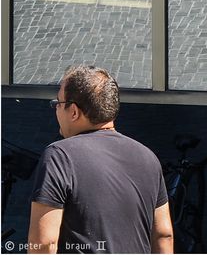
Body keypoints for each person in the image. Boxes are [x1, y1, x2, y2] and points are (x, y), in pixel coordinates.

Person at [28, 66, 173, 254]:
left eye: (58, 102)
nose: (56, 108)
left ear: (73, 111)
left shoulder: (59, 156)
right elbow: (164, 235)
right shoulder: (148, 157)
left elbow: (44, 243)